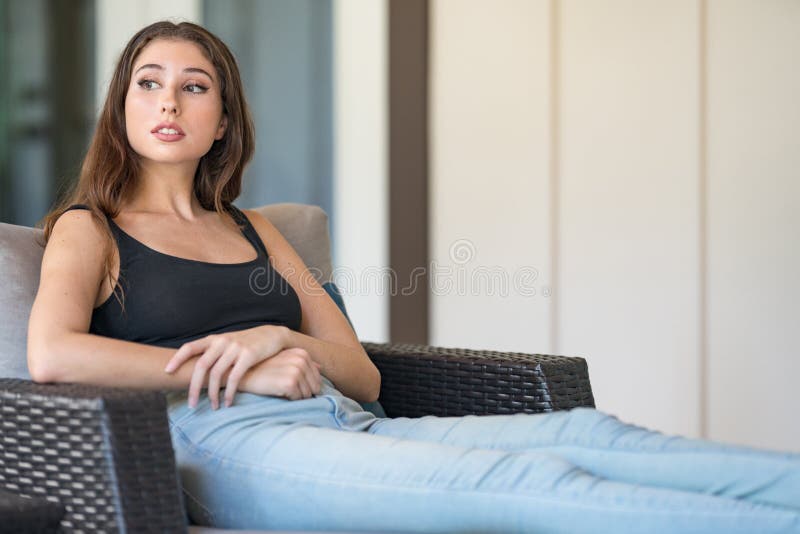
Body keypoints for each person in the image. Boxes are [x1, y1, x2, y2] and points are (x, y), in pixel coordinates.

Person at [27, 20, 798, 534]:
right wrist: (252, 370)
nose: (169, 99)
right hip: (221, 441)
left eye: (194, 86)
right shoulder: (91, 229)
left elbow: (359, 373)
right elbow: (53, 355)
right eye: (148, 82)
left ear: (222, 120)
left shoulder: (254, 229)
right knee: (531, 483)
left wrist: (273, 335)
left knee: (586, 433)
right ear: (121, 108)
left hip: (347, 420)